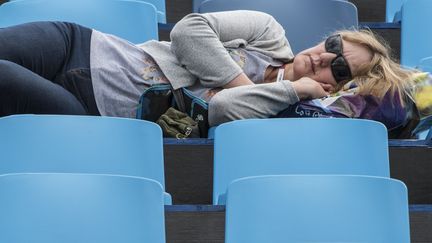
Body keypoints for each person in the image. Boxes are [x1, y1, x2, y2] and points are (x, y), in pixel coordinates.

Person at [0, 10, 415, 127]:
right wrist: (235, 81)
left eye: (340, 68)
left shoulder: (286, 110)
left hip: (91, 113)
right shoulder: (269, 33)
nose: (325, 58)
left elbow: (219, 111)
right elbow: (189, 29)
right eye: (332, 46)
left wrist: (296, 89)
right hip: (77, 44)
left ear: (340, 89)